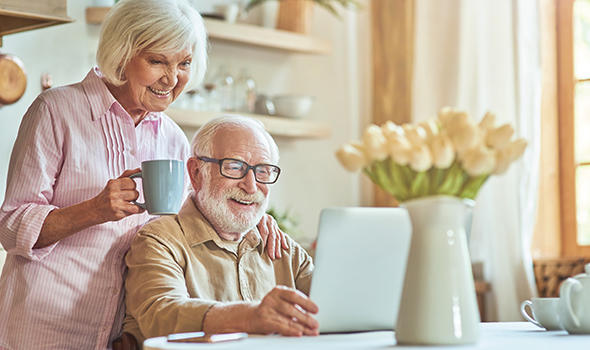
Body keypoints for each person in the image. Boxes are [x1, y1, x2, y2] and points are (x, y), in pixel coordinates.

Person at [0, 1, 286, 349]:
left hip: (123, 335)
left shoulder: (174, 139)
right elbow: (12, 225)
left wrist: (251, 217)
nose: (172, 78)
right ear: (122, 54)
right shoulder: (56, 111)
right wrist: (93, 210)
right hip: (44, 328)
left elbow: (191, 222)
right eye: (157, 61)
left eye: (184, 64)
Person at [123, 116, 319, 345]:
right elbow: (162, 314)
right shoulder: (160, 240)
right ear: (196, 173)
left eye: (263, 171)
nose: (251, 186)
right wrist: (250, 317)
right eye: (234, 167)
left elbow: (335, 303)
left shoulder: (282, 248)